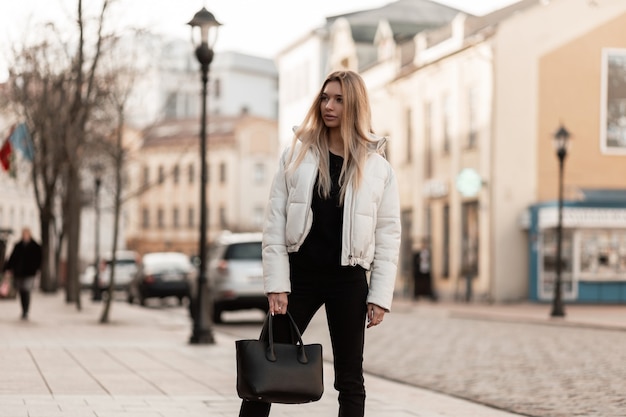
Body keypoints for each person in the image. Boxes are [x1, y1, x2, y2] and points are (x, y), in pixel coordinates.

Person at [239, 70, 401, 417]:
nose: (329, 106)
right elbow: (274, 223)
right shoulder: (297, 155)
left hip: (349, 279)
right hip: (300, 277)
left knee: (351, 379)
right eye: (325, 97)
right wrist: (277, 285)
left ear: (354, 105)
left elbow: (388, 233)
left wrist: (380, 296)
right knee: (263, 369)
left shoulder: (377, 167)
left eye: (339, 100)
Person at [2, 227, 42, 320]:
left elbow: (39, 259)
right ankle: (23, 309)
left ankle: (26, 310)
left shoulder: (35, 246)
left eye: (27, 234)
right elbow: (12, 258)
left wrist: (36, 268)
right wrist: (7, 268)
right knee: (21, 291)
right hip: (19, 272)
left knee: (27, 290)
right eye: (24, 234)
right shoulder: (18, 245)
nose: (25, 236)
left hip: (30, 272)